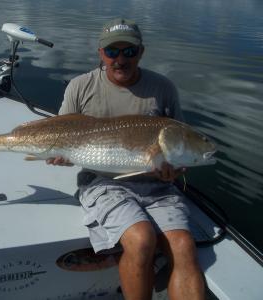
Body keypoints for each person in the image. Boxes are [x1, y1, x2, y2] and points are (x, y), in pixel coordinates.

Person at [47, 18, 205, 300]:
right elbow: (59, 131)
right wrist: (60, 155)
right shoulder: (80, 86)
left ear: (141, 52)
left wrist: (174, 171)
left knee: (183, 245)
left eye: (129, 52)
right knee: (142, 239)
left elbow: (180, 142)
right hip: (102, 181)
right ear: (100, 53)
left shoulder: (163, 88)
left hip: (158, 186)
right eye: (112, 52)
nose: (120, 59)